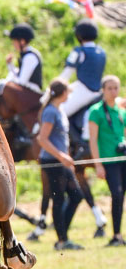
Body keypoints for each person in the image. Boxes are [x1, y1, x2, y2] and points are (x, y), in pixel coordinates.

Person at [37, 79, 84, 251]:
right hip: (52, 161)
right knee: (58, 199)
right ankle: (62, 240)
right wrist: (62, 156)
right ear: (63, 93)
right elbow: (42, 139)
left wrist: (67, 158)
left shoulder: (60, 110)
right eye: (68, 92)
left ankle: (62, 233)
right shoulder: (50, 112)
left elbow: (62, 140)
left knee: (76, 196)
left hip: (62, 161)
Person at [88, 75, 126, 246]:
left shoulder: (121, 111)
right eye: (110, 88)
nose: (113, 91)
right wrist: (98, 164)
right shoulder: (96, 111)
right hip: (109, 161)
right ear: (103, 90)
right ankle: (116, 234)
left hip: (123, 158)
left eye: (116, 88)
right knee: (117, 194)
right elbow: (93, 139)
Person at [60, 19, 106, 118]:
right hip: (98, 91)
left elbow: (66, 75)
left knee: (59, 112)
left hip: (84, 90)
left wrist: (52, 88)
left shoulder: (79, 52)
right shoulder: (102, 52)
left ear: (79, 35)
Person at [0, 23, 43, 94]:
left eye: (14, 41)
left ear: (22, 41)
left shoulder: (30, 57)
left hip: (32, 95)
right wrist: (10, 64)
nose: (13, 44)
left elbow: (21, 82)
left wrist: (5, 83)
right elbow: (19, 75)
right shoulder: (25, 55)